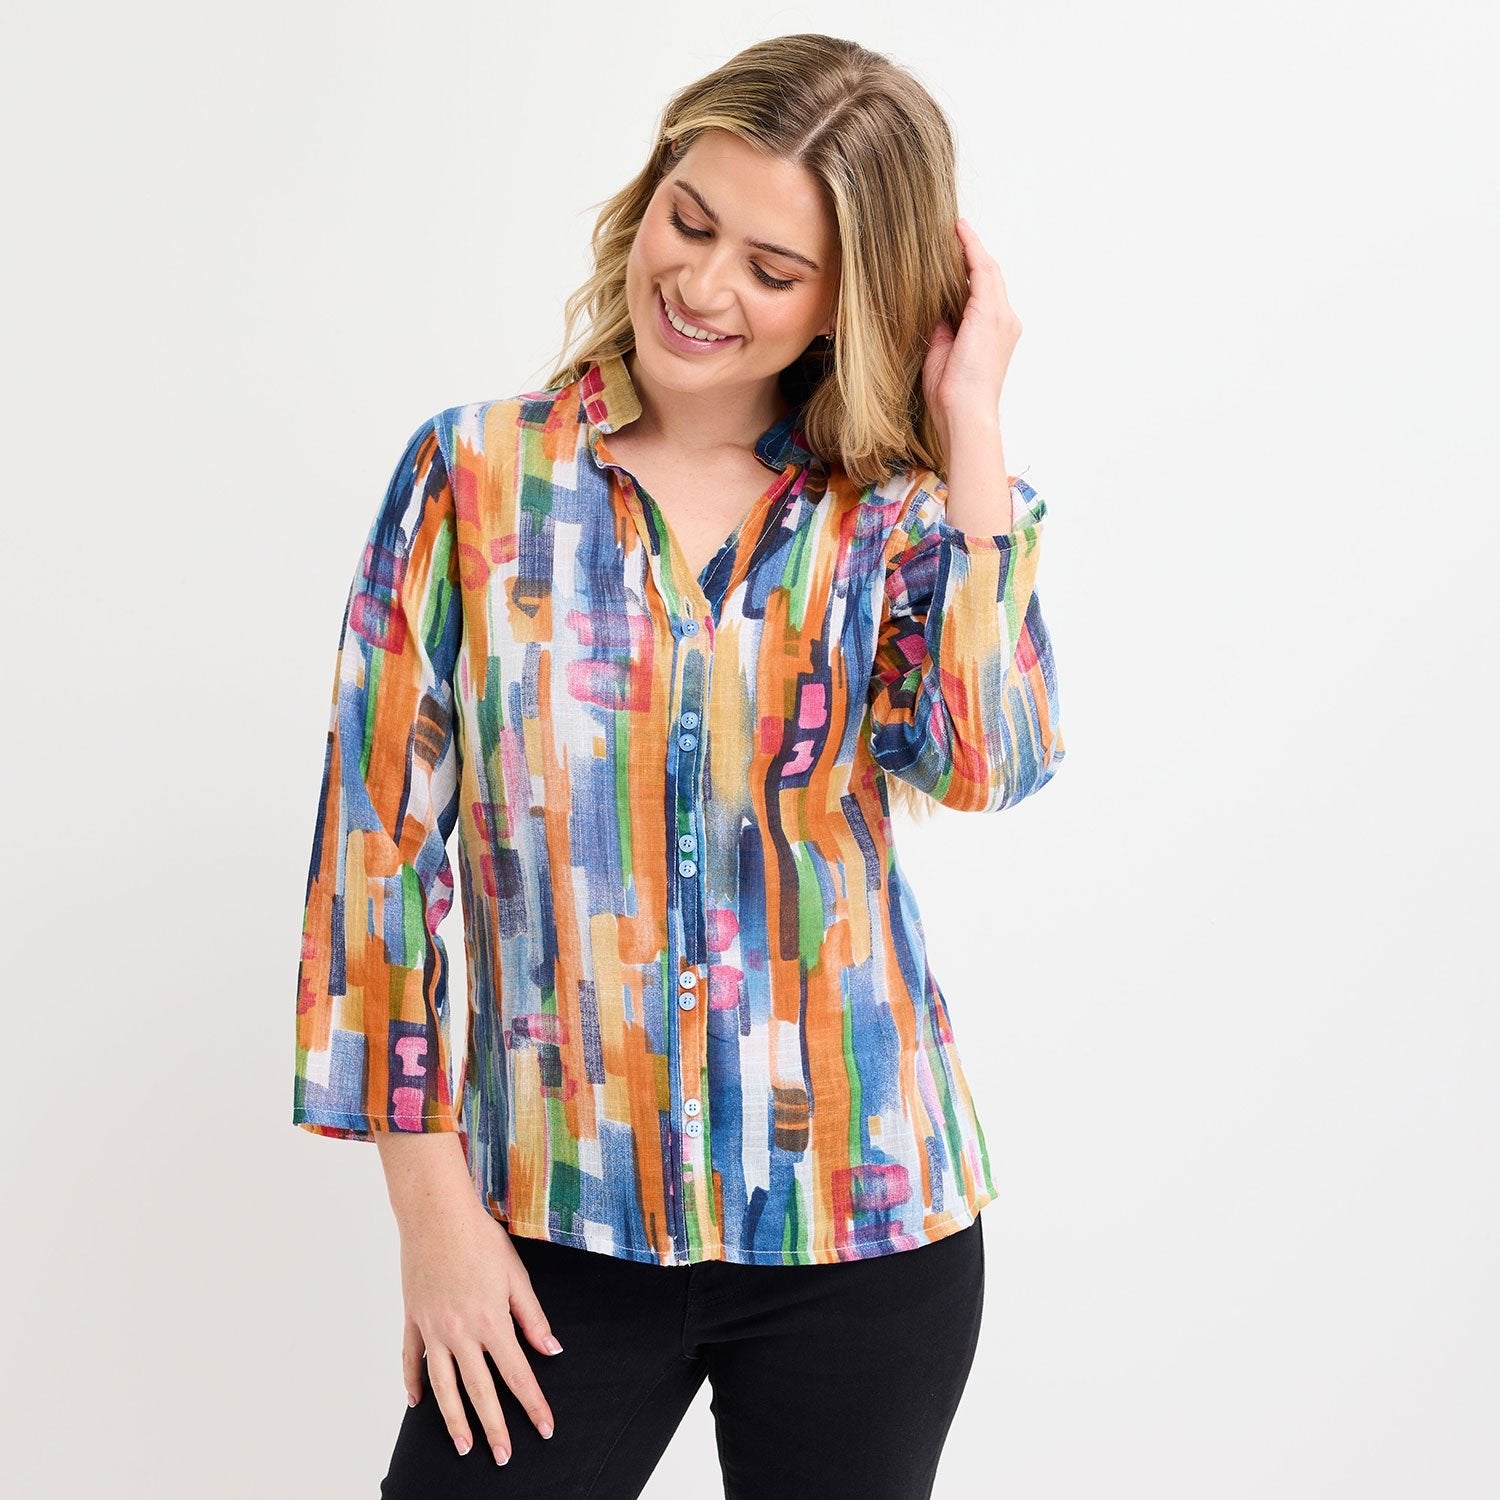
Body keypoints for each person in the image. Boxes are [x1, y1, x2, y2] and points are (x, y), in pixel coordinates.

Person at [291, 32, 1066, 1500]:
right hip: (554, 1222)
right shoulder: (473, 478)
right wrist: (434, 1218)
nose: (703, 287)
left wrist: (970, 419)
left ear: (847, 301)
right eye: (689, 221)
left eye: (773, 269)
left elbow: (987, 759)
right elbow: (373, 857)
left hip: (862, 1226)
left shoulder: (896, 521)